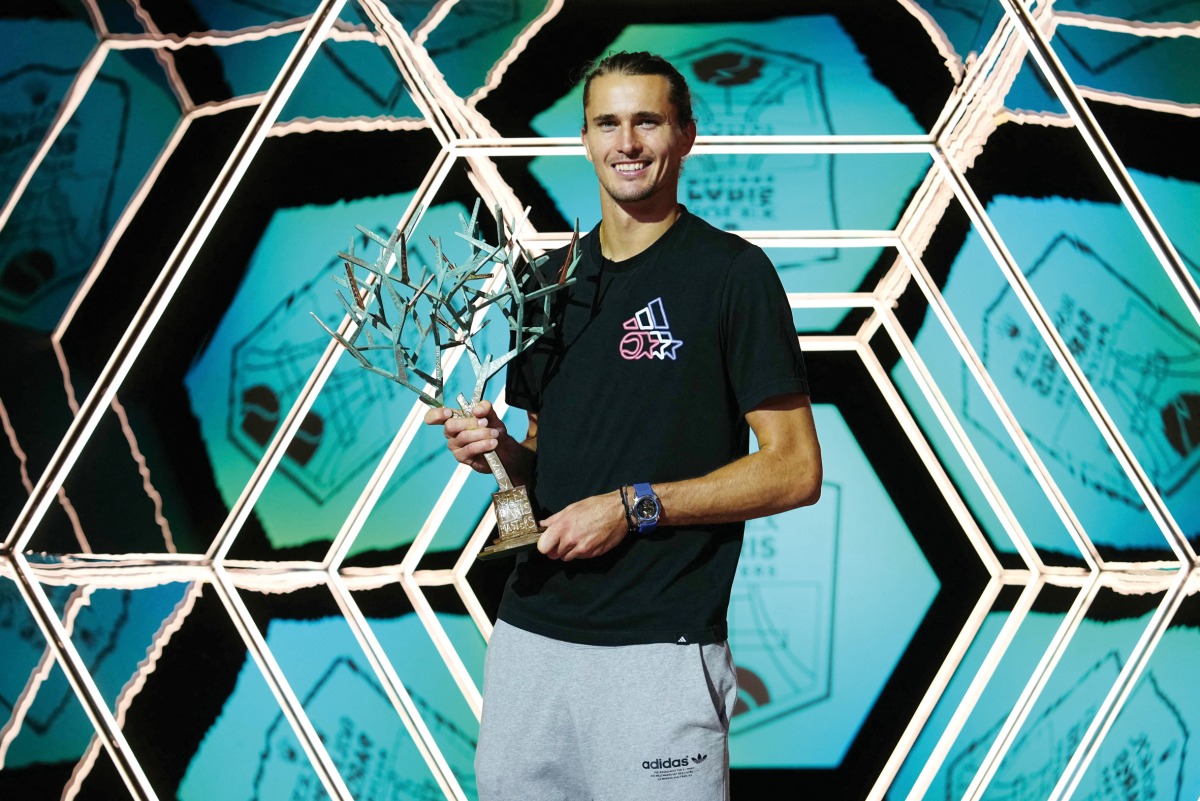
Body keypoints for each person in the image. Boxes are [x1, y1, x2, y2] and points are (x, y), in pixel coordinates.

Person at [424, 51, 822, 801]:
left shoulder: (733, 275)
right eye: (608, 122)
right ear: (584, 139)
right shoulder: (546, 281)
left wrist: (633, 505)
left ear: (686, 136)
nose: (627, 142)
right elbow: (545, 453)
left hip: (660, 648)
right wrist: (495, 451)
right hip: (530, 640)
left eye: (647, 120)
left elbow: (795, 468)